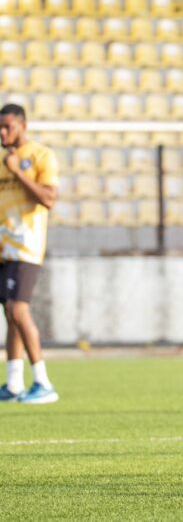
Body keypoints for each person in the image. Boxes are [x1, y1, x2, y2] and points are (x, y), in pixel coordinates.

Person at [0, 104, 59, 405]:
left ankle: (43, 381)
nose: (2, 133)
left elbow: (49, 198)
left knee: (18, 309)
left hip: (27, 245)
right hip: (4, 247)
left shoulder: (40, 156)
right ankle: (12, 383)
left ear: (23, 125)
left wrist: (17, 172)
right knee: (10, 313)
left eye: (8, 126)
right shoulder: (3, 160)